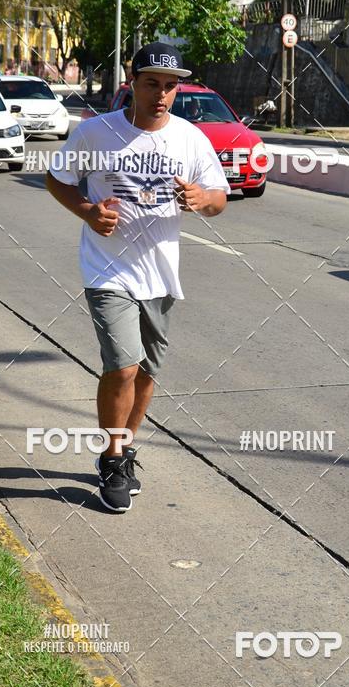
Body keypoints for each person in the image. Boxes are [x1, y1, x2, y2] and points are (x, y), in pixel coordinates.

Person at [46, 42, 229, 512]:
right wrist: (88, 212)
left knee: (147, 371)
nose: (162, 94)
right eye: (152, 84)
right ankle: (110, 458)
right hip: (107, 269)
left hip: (161, 275)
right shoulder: (95, 132)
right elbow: (58, 179)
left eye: (170, 86)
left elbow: (218, 198)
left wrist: (200, 199)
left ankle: (125, 448)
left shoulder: (190, 138)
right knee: (122, 366)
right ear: (132, 82)